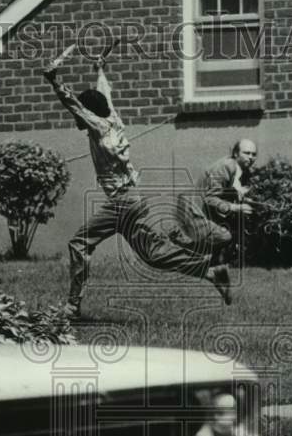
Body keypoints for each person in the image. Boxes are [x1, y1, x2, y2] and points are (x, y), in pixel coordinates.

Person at [41, 50, 232, 317]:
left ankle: (72, 306)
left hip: (122, 202)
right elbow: (104, 94)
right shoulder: (113, 119)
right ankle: (210, 272)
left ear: (89, 113)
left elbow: (74, 105)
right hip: (133, 199)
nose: (77, 121)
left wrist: (54, 80)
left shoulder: (98, 128)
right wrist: (100, 69)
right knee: (152, 253)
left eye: (81, 117)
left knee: (79, 243)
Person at [176, 139, 258, 269]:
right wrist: (236, 207)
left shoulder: (241, 170)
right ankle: (181, 248)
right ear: (236, 154)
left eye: (254, 154)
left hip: (202, 210)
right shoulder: (225, 167)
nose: (251, 157)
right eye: (246, 153)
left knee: (230, 229)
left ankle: (211, 260)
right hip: (192, 211)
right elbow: (210, 198)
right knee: (224, 236)